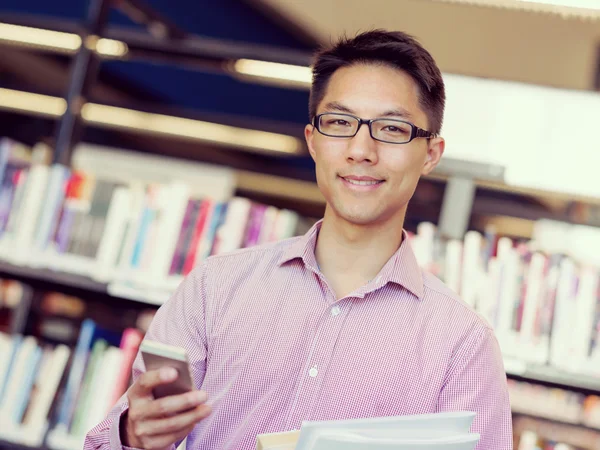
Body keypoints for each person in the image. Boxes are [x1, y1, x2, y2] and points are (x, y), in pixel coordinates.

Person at [85, 29, 512, 450]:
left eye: (392, 128)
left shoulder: (463, 346)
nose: (360, 149)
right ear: (313, 140)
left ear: (431, 154)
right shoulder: (214, 288)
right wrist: (132, 438)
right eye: (340, 123)